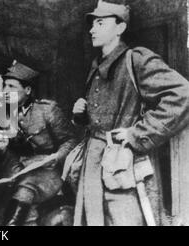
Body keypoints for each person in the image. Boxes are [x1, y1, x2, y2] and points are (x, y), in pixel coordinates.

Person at [71, 0, 189, 226]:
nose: (92, 29)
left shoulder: (136, 59)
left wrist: (138, 133)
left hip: (123, 162)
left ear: (120, 28)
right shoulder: (96, 66)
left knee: (126, 219)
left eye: (100, 23)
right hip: (93, 160)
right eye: (92, 24)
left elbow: (183, 94)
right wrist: (81, 114)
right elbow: (100, 115)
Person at [0, 61, 77, 226]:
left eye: (11, 87)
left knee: (25, 187)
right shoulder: (5, 113)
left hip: (49, 172)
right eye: (4, 86)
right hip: (18, 170)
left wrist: (56, 157)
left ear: (27, 90)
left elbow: (70, 141)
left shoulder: (47, 110)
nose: (5, 91)